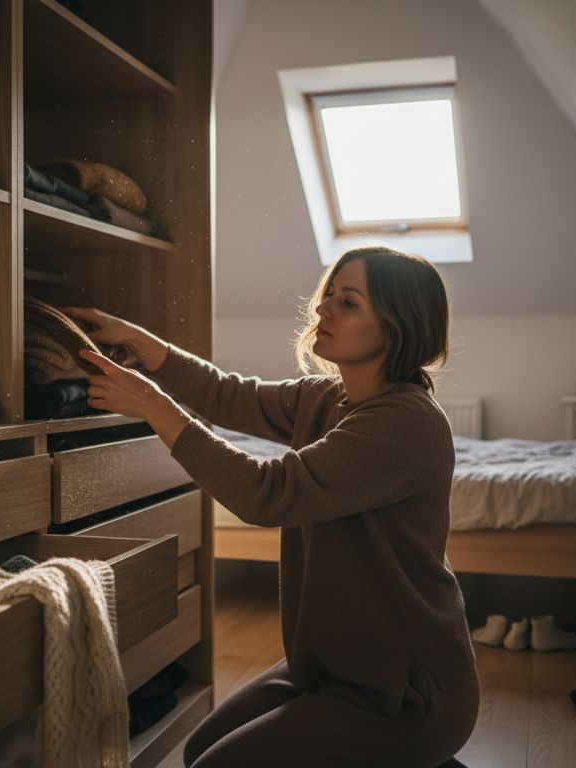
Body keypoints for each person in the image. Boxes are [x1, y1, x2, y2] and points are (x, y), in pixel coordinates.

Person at [61, 246, 478, 768]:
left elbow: (269, 492)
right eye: (329, 294)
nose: (323, 309)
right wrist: (139, 341)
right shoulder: (329, 399)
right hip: (331, 671)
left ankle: (415, 755)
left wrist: (152, 404)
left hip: (403, 694)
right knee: (199, 753)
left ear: (397, 328)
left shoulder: (406, 423)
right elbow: (225, 395)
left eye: (348, 302)